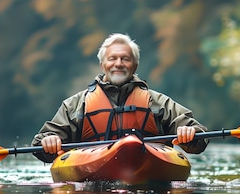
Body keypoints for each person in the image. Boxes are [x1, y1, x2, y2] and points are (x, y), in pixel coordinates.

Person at [31, 33, 208, 163]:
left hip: (149, 165)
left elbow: (199, 136)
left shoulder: (158, 102)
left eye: (125, 59)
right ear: (102, 65)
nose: (118, 64)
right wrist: (49, 141)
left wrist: (191, 133)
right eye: (112, 58)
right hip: (92, 168)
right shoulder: (76, 105)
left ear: (135, 65)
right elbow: (41, 141)